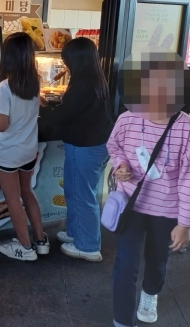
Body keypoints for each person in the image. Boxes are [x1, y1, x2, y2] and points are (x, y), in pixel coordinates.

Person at [108, 49, 190, 327]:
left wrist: (184, 223)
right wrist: (120, 165)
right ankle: (123, 321)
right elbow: (114, 146)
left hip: (166, 209)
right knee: (126, 263)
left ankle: (150, 293)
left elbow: (188, 178)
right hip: (131, 203)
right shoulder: (127, 119)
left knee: (157, 261)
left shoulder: (186, 128)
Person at [38, 38, 113, 261]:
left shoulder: (82, 85)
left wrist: (41, 112)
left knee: (82, 195)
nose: (66, 66)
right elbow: (74, 109)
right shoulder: (95, 78)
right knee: (76, 191)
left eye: (66, 61)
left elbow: (64, 115)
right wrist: (50, 106)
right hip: (95, 144)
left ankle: (88, 246)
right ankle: (76, 233)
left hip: (85, 146)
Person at [0, 32, 49, 261]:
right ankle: (40, 241)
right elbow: (12, 82)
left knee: (13, 199)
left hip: (9, 153)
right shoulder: (34, 80)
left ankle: (25, 248)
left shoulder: (4, 87)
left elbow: (1, 125)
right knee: (27, 192)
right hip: (29, 151)